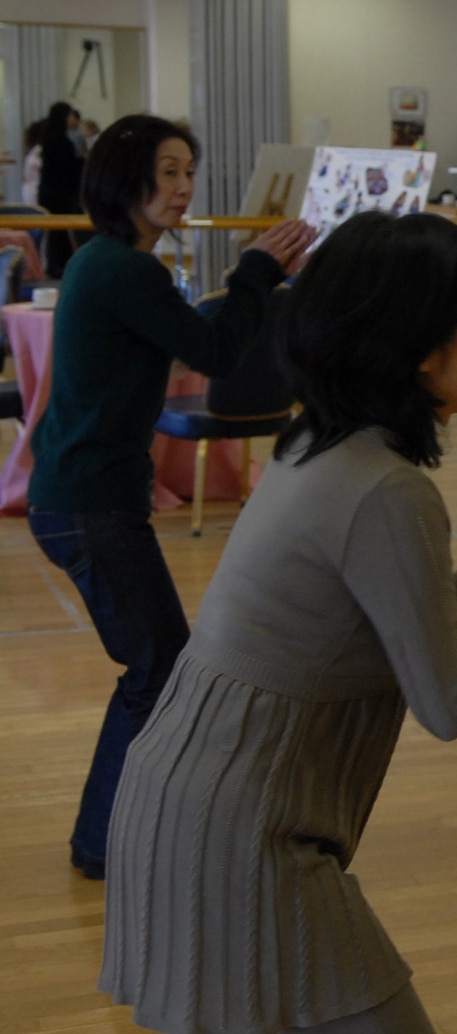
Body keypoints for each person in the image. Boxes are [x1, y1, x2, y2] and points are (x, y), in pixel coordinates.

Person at [98, 210, 457, 1034]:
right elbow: (449, 696)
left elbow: (384, 630)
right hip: (242, 833)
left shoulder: (324, 441)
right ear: (419, 344)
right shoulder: (385, 488)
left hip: (213, 803)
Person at [27, 114, 314, 880]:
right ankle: (102, 840)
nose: (184, 187)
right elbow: (213, 350)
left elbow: (190, 330)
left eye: (189, 171)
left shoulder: (109, 263)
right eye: (169, 172)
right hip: (90, 504)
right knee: (156, 667)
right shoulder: (124, 269)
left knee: (158, 664)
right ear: (127, 179)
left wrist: (254, 282)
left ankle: (121, 830)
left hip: (83, 498)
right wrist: (257, 272)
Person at [35, 101, 86, 276]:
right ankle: (59, 265)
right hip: (60, 193)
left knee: (57, 234)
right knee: (61, 232)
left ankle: (57, 264)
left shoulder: (52, 137)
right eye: (70, 115)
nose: (73, 119)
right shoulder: (60, 140)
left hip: (51, 191)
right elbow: (67, 168)